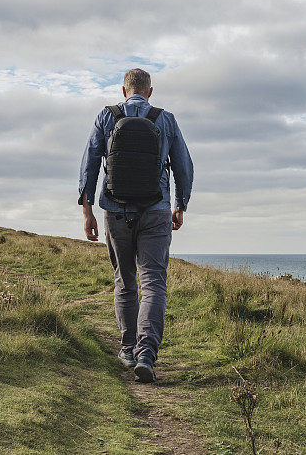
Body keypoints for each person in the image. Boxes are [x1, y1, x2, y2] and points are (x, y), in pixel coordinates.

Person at [78, 68, 193, 383]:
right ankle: (146, 354)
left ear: (124, 90)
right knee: (154, 283)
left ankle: (128, 349)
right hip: (156, 210)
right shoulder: (165, 119)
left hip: (115, 210)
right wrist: (180, 205)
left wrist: (87, 210)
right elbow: (183, 165)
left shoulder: (107, 116)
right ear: (150, 91)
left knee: (125, 281)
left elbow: (89, 162)